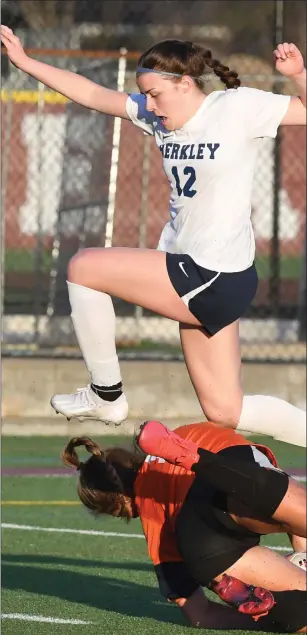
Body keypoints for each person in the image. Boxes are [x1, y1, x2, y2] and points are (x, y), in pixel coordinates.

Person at [2, 26, 306, 446]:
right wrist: (25, 61)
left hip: (211, 273)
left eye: (155, 94)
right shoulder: (158, 116)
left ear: (185, 83)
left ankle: (106, 395)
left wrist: (299, 74)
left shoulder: (236, 108)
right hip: (212, 279)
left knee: (84, 266)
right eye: (144, 94)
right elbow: (91, 94)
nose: (148, 103)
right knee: (224, 409)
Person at [61, 419, 307, 632]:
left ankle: (277, 607)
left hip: (205, 543)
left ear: (119, 501)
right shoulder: (188, 431)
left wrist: (263, 621)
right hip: (232, 475)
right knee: (252, 489)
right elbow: (285, 509)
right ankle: (195, 458)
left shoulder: (151, 515)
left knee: (300, 617)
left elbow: (199, 615)